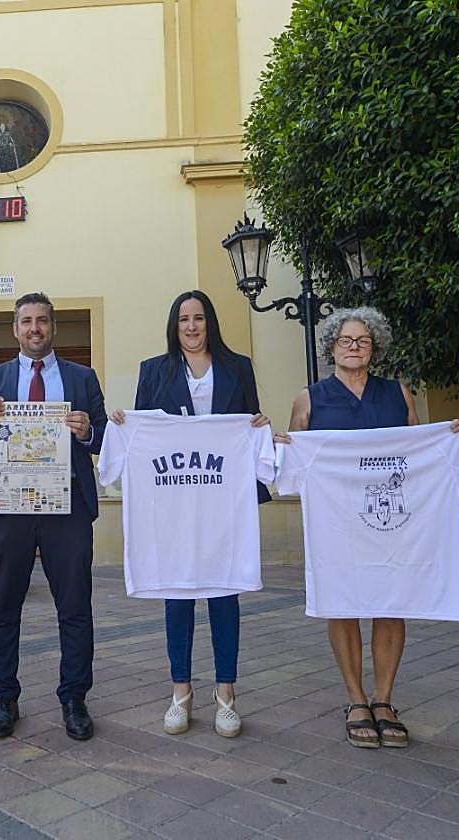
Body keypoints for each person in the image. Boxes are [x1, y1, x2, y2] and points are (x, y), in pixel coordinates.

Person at [279, 306, 459, 749]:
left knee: (391, 600)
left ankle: (384, 699)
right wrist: (283, 444)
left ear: (374, 347)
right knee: (342, 603)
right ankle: (356, 698)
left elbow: (418, 448)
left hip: (391, 520)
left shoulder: (398, 394)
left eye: (363, 340)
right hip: (336, 522)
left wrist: (448, 437)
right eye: (346, 341)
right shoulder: (309, 398)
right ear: (331, 347)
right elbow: (292, 463)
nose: (354, 347)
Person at [109, 290, 271, 737]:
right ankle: (180, 692)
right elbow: (144, 434)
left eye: (200, 318)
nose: (192, 326)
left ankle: (226, 695)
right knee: (176, 594)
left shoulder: (237, 367)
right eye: (184, 319)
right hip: (175, 505)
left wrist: (255, 425)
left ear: (210, 322)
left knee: (225, 594)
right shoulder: (154, 370)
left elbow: (248, 422)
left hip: (223, 505)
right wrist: (126, 426)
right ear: (174, 325)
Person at [0, 292, 107, 740]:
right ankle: (3, 698)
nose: (35, 329)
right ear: (15, 329)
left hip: (68, 508)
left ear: (54, 327)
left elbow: (105, 439)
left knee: (75, 607)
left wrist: (87, 433)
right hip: (9, 509)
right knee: (3, 606)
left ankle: (74, 697)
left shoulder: (82, 378)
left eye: (42, 321)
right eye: (27, 322)